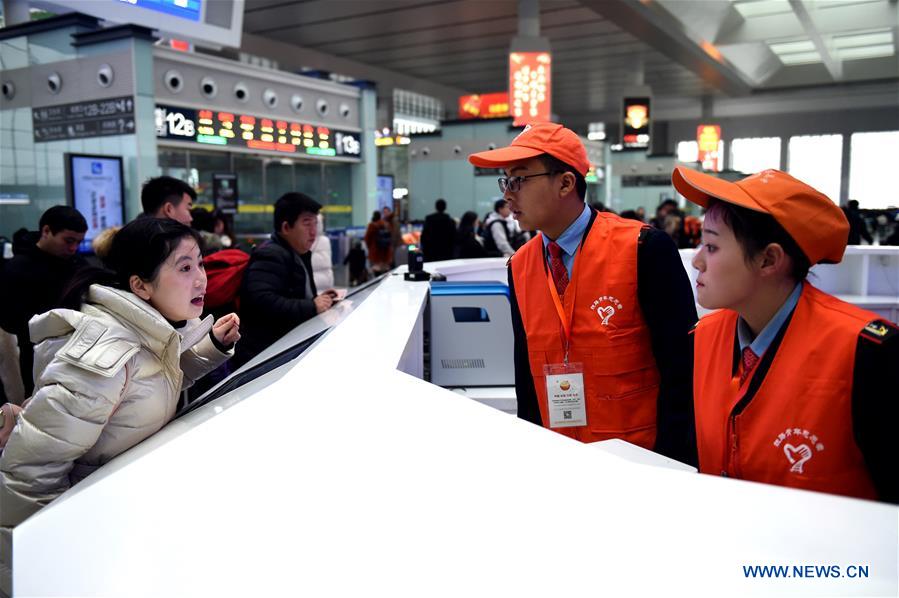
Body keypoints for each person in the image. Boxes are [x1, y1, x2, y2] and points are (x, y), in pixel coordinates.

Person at [468, 123, 698, 462]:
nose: (508, 194)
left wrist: (670, 466)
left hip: (640, 461)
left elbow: (682, 370)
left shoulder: (642, 249)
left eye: (519, 180)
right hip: (561, 460)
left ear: (565, 183)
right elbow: (527, 381)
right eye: (506, 181)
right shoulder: (520, 266)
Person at [0, 217, 239, 533]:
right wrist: (42, 552)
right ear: (140, 285)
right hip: (92, 517)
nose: (201, 279)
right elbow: (29, 474)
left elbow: (149, 386)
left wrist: (211, 346)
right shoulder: (102, 357)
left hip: (120, 504)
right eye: (185, 268)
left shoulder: (150, 332)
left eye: (200, 264)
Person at [674, 167, 897, 502]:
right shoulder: (703, 338)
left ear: (769, 259)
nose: (697, 261)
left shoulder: (867, 352)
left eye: (712, 246)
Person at [234, 193, 336, 368]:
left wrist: (316, 300)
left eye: (315, 223)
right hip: (264, 359)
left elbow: (289, 295)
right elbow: (261, 301)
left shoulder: (296, 253)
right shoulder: (271, 255)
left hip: (283, 351)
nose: (313, 231)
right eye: (307, 223)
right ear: (286, 227)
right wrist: (311, 306)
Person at [0, 206, 88, 398]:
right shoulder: (17, 269)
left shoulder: (78, 264)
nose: (73, 248)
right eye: (68, 241)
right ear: (46, 231)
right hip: (35, 357)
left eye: (78, 242)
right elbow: (9, 321)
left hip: (78, 354)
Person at [364, 210, 393, 274]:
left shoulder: (372, 225)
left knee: (376, 270)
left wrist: (370, 247)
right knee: (385, 272)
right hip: (386, 252)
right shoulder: (386, 224)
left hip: (375, 252)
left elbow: (367, 238)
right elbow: (390, 237)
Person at [311, 213, 334, 290]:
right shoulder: (324, 240)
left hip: (321, 281)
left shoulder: (323, 240)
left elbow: (324, 260)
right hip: (324, 280)